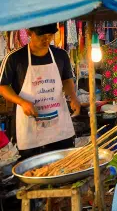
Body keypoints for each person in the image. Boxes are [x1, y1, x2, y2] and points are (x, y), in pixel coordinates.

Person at [0, 24, 80, 160]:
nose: (46, 40)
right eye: (41, 36)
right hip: (29, 125)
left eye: (50, 36)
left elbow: (67, 80)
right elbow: (3, 86)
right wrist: (22, 102)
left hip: (57, 123)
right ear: (29, 32)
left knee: (62, 164)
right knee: (31, 169)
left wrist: (73, 98)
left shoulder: (61, 55)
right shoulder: (14, 58)